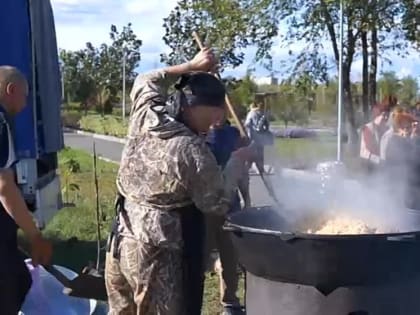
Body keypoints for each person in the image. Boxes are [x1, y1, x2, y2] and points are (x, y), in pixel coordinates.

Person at [105, 48, 257, 315]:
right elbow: (217, 202)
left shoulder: (147, 114)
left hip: (120, 241)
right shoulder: (190, 149)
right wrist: (237, 161)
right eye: (215, 113)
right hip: (154, 255)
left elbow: (146, 79)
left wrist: (191, 65)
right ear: (198, 107)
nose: (217, 121)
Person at [0, 65, 52, 314]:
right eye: (25, 94)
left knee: (20, 280)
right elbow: (4, 187)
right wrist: (35, 236)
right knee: (12, 289)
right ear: (11, 90)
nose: (26, 101)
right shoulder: (1, 123)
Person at [205, 119, 250, 315]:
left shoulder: (233, 134)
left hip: (231, 207)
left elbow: (241, 169)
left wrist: (247, 198)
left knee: (230, 258)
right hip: (205, 207)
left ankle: (230, 302)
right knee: (200, 257)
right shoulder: (201, 134)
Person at [359, 102, 392, 172]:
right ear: (377, 115)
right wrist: (380, 160)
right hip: (368, 164)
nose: (386, 118)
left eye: (387, 115)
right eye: (384, 115)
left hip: (381, 164)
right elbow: (369, 149)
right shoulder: (368, 128)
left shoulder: (386, 129)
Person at [244, 101, 272, 172]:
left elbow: (247, 124)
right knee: (260, 153)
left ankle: (247, 168)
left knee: (250, 153)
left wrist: (248, 135)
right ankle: (260, 168)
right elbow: (267, 125)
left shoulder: (251, 114)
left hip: (253, 137)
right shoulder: (262, 114)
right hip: (261, 138)